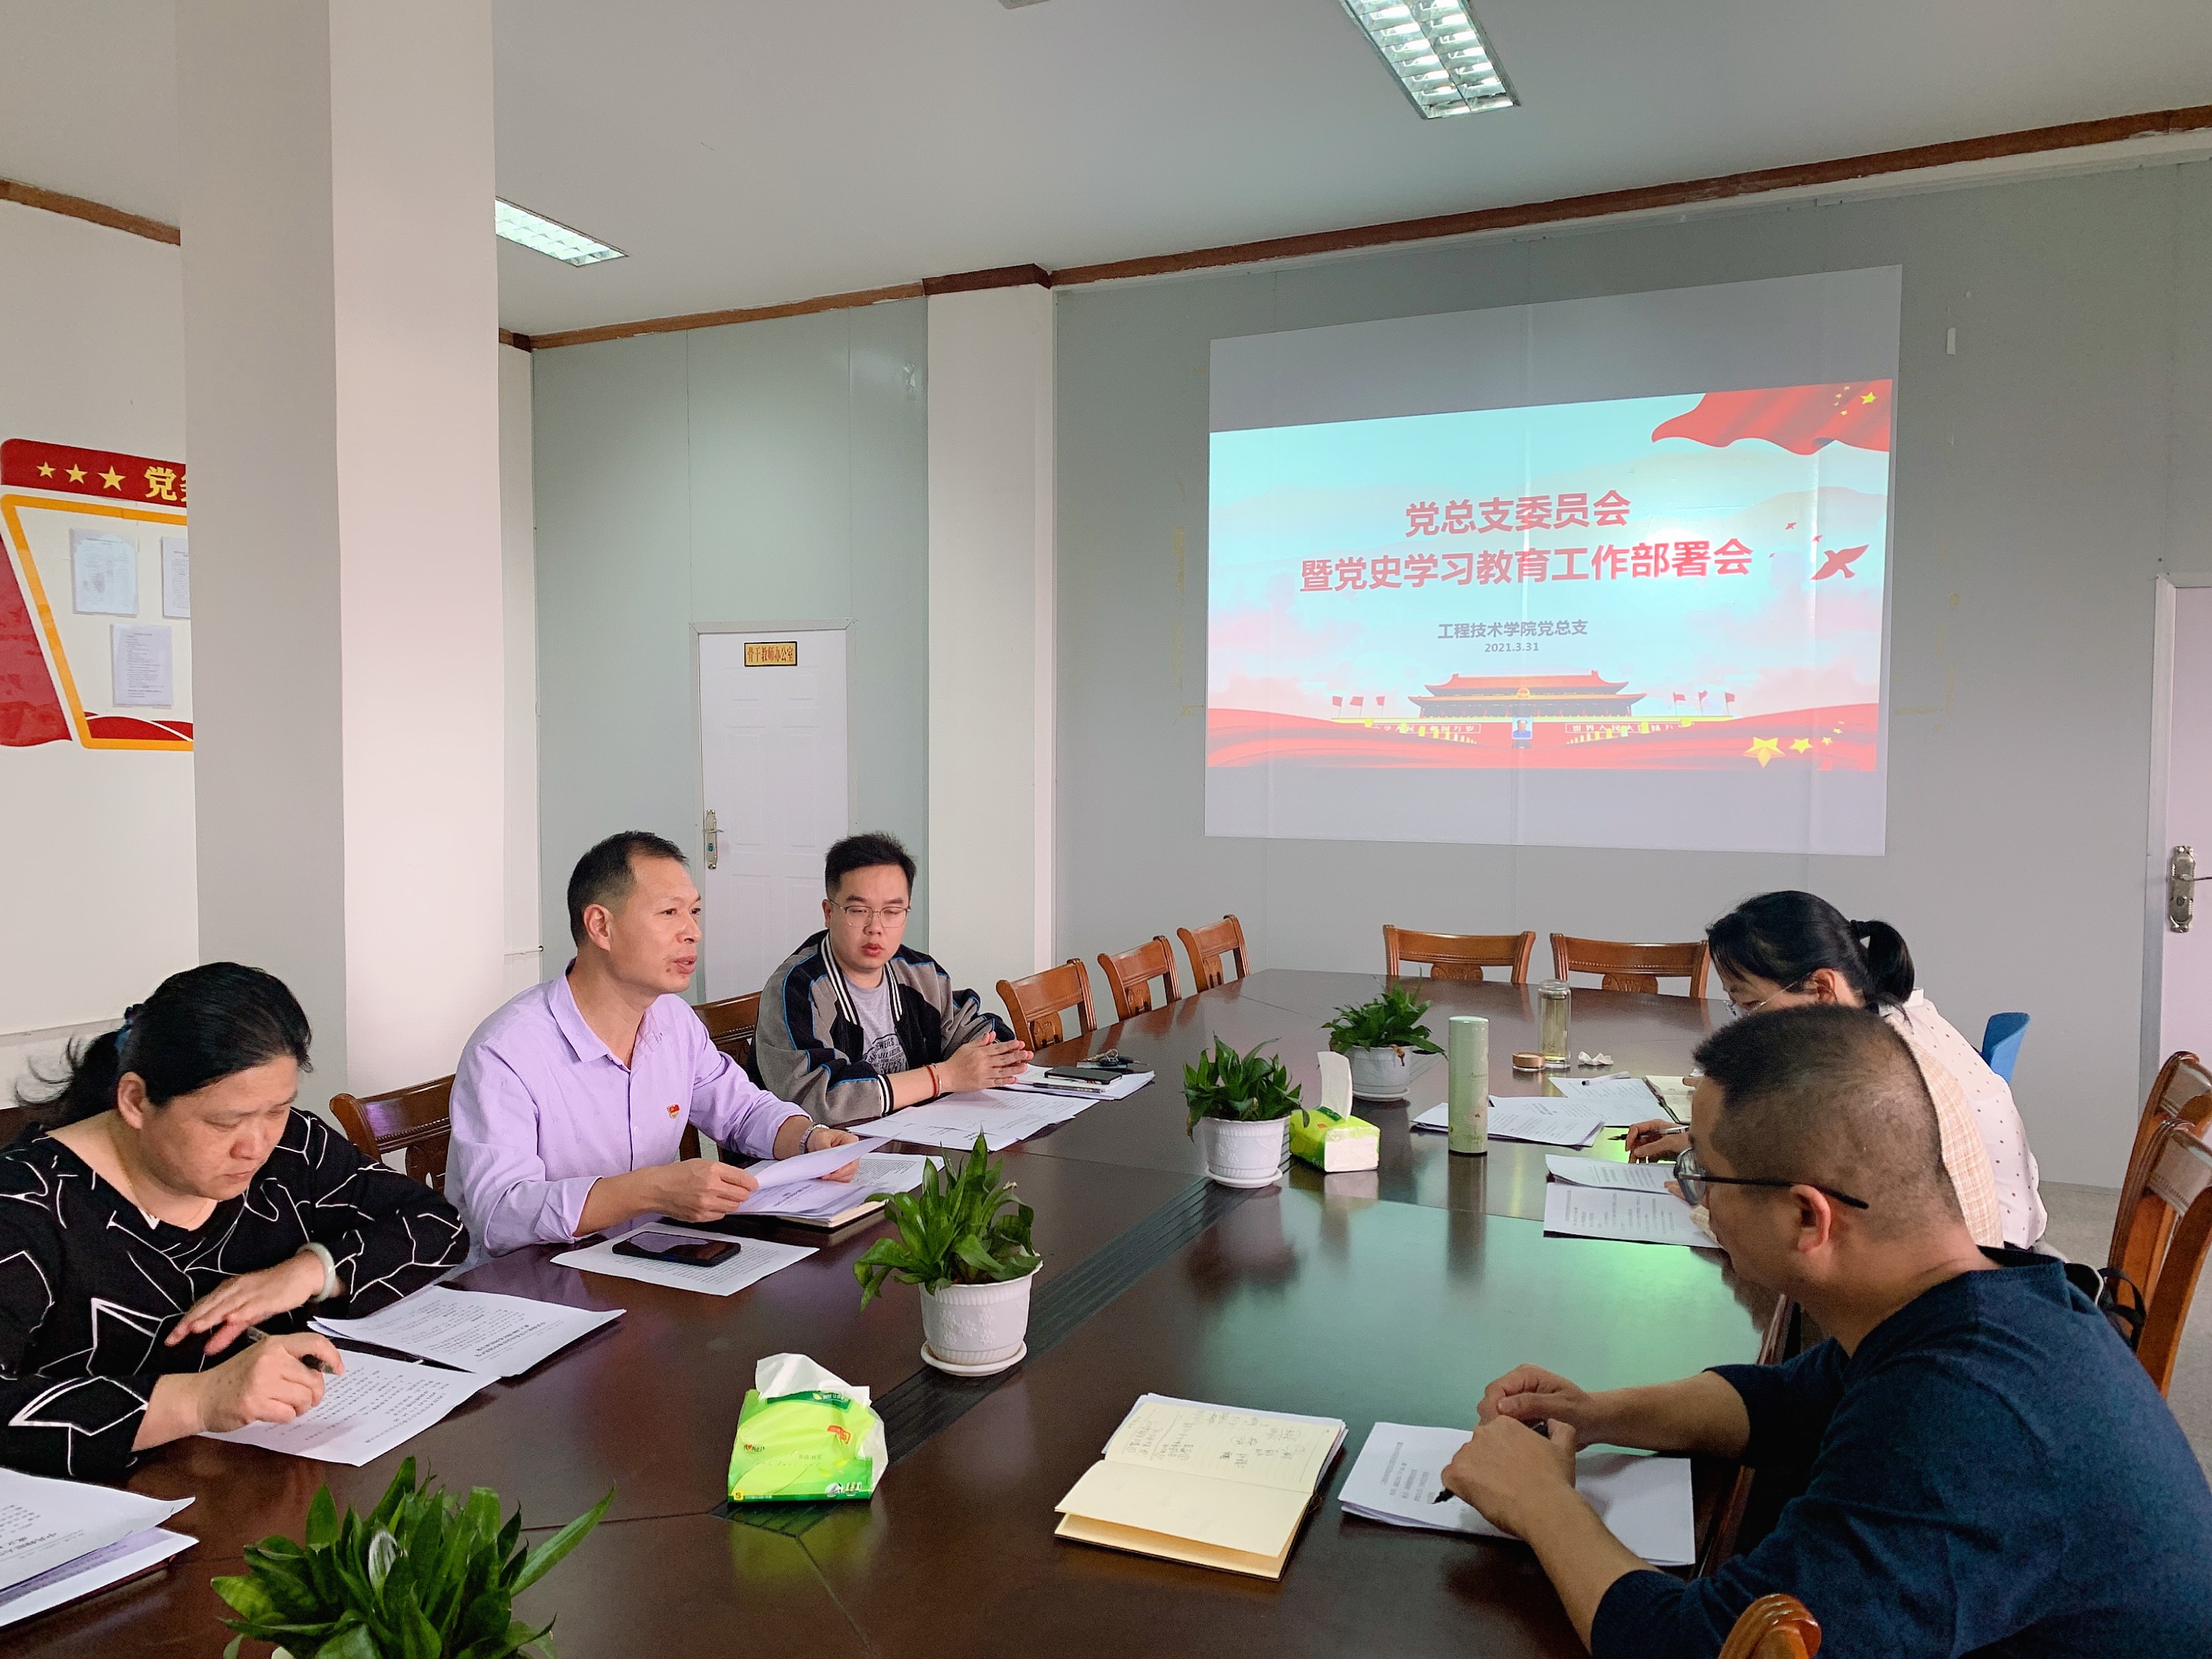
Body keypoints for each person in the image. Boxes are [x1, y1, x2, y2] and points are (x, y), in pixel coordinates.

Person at [1443, 1005, 2212, 1658]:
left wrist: (1543, 1504)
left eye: (1701, 1175)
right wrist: (1594, 1413)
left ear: (1806, 1217)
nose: (1696, 1198)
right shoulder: (1979, 1298)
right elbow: (1783, 1402)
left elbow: (1701, 1647)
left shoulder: (1963, 1420)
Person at [0, 963, 467, 1481]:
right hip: (110, 1505)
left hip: (271, 1478)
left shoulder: (293, 1151)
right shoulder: (25, 1205)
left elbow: (437, 1224)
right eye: (225, 1122)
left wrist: (309, 1272)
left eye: (277, 1110)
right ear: (135, 1101)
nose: (255, 1146)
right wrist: (199, 1400)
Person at [449, 831, 859, 1258]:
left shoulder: (673, 1020)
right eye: (669, 912)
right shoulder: (506, 1051)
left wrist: (809, 1140)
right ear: (601, 926)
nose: (693, 932)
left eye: (694, 912)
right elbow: (501, 1214)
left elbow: (741, 1111)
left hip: (646, 1258)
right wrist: (652, 1190)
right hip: (537, 1279)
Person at [1623, 891, 2037, 1248]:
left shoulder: (1876, 1075)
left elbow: (1805, 1232)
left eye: (1750, 1005)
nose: (1745, 1026)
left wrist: (1708, 1202)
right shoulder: (1888, 1024)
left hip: (1962, 1273)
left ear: (1822, 989)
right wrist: (1700, 1143)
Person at [757, 832, 1031, 1125]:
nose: (875, 927)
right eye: (858, 910)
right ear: (829, 913)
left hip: (914, 1136)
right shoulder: (797, 989)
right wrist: (944, 1077)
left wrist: (995, 1055)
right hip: (827, 1147)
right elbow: (819, 1100)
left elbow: (970, 1028)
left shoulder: (920, 973)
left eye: (892, 911)